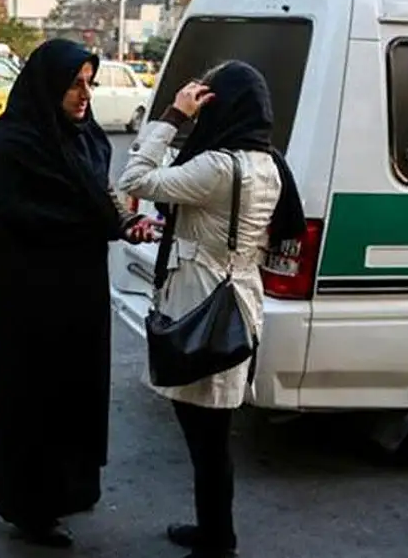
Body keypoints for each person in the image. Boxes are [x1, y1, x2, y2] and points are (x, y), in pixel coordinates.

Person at [0, 38, 159, 548]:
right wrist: (100, 223)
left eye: (89, 83)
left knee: (77, 391)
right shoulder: (14, 145)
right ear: (48, 84)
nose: (84, 95)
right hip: (33, 298)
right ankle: (30, 506)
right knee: (37, 398)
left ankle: (71, 487)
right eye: (75, 84)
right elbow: (17, 216)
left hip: (80, 290)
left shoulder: (83, 137)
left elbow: (102, 196)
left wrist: (125, 223)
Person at [116, 61, 306, 558]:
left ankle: (218, 540)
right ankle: (213, 531)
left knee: (207, 436)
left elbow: (132, 178)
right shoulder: (269, 164)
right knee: (211, 432)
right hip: (239, 299)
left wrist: (172, 117)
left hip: (203, 302)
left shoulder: (218, 167)